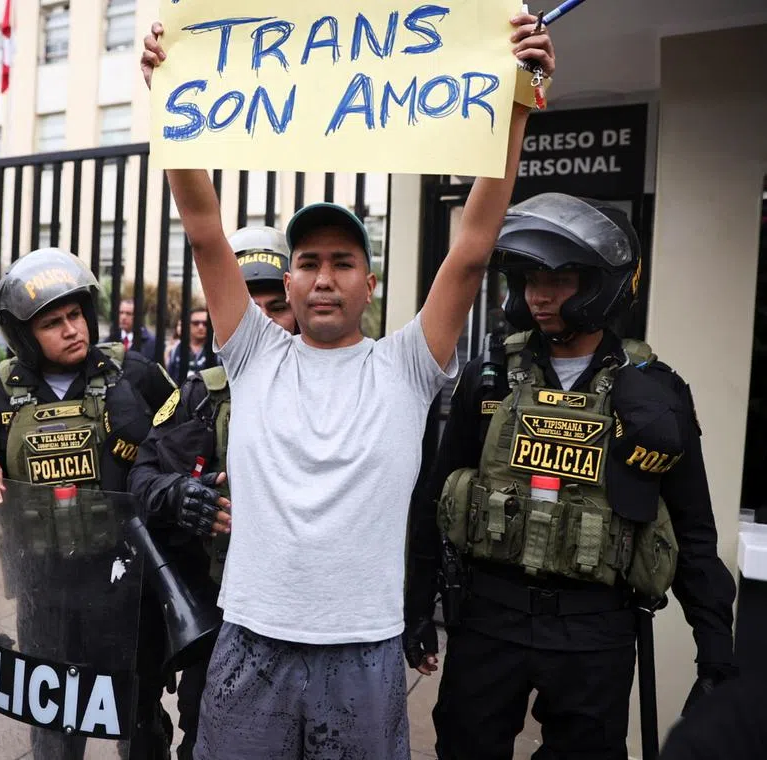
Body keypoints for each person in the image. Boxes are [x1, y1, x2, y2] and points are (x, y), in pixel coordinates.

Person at [141, 14, 555, 758]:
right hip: (250, 640)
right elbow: (203, 228)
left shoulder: (407, 364)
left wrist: (517, 101)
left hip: (364, 653)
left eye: (341, 261)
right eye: (307, 262)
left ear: (369, 282)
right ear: (288, 281)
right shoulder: (253, 353)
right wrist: (172, 100)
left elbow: (471, 249)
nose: (323, 277)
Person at [403, 193, 738, 759]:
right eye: (531, 275)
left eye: (561, 277)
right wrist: (415, 606)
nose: (539, 294)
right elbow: (432, 496)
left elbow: (692, 529)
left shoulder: (654, 395)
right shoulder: (488, 379)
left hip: (595, 632)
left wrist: (715, 649)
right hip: (489, 620)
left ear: (603, 284)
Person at [0, 247, 176, 759]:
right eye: (53, 322)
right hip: (43, 584)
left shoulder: (135, 375)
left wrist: (145, 435)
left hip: (125, 580)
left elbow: (185, 440)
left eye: (75, 314)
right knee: (53, 708)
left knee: (134, 709)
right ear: (24, 337)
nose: (72, 329)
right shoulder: (0, 390)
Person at [128, 225, 295, 759]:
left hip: (304, 612)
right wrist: (180, 495)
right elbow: (142, 479)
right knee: (208, 735)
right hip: (220, 610)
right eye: (250, 308)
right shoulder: (201, 395)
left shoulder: (335, 383)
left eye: (277, 307)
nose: (266, 323)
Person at [166, 304, 216, 383]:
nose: (200, 327)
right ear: (188, 324)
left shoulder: (215, 351)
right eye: (196, 323)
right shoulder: (176, 349)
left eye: (205, 324)